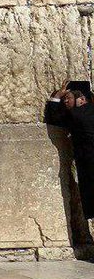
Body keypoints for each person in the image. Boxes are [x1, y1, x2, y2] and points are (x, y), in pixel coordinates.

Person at [44, 83, 94, 231]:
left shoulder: (76, 115)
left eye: (68, 98)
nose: (65, 101)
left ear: (81, 99)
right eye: (64, 98)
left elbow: (54, 118)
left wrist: (56, 97)